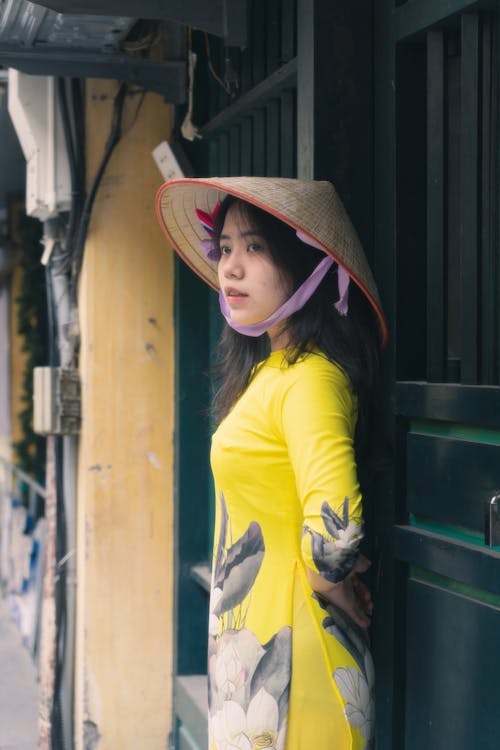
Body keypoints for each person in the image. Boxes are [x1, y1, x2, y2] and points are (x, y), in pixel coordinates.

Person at [156, 177, 388, 750]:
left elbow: (336, 528)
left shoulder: (311, 377)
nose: (230, 268)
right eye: (226, 248)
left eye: (255, 247)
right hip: (257, 652)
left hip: (296, 669)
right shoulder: (270, 371)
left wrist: (328, 582)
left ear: (309, 264)